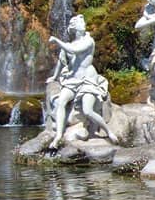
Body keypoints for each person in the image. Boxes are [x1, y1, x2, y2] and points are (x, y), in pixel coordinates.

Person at [46, 15, 118, 149]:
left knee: (88, 110)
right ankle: (58, 136)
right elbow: (61, 63)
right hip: (72, 80)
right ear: (74, 28)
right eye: (81, 22)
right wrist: (55, 77)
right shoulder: (68, 46)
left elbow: (75, 51)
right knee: (61, 102)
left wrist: (56, 40)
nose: (84, 24)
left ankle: (108, 131)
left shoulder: (88, 41)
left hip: (87, 80)